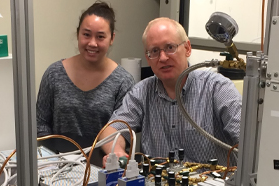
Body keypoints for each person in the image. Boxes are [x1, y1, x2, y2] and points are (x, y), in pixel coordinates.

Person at [99, 17, 242, 166]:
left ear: (187, 48)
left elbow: (247, 141)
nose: (163, 57)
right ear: (148, 58)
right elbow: (111, 131)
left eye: (170, 47)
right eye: (154, 51)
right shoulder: (141, 93)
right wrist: (117, 153)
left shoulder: (217, 88)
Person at [36, 1, 135, 154]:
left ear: (112, 38)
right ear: (78, 34)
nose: (92, 43)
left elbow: (123, 132)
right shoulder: (54, 74)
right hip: (56, 165)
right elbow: (40, 124)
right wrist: (49, 159)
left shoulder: (123, 82)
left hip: (103, 167)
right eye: (86, 34)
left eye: (100, 37)